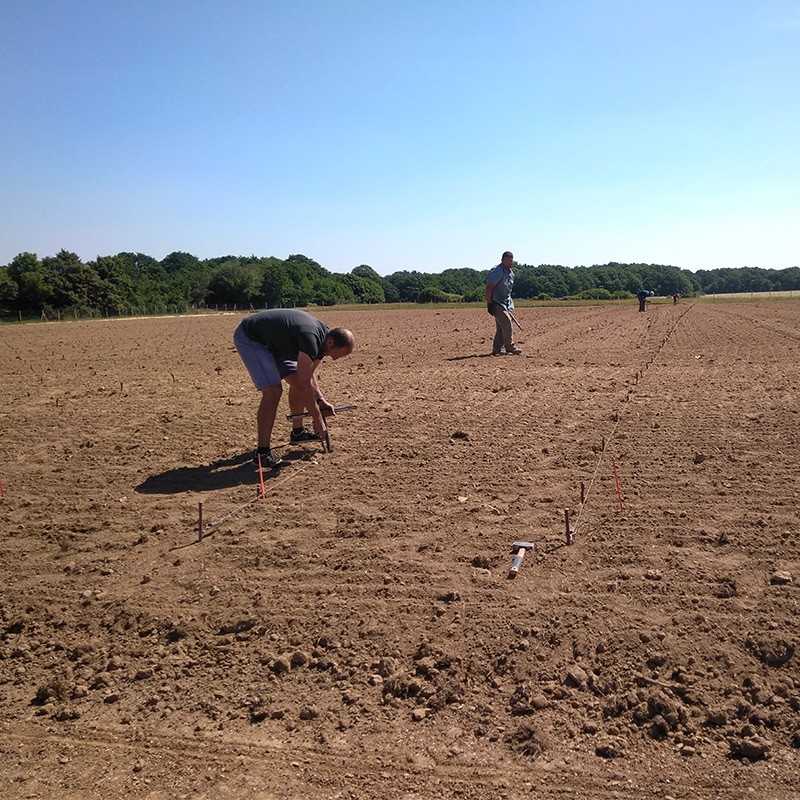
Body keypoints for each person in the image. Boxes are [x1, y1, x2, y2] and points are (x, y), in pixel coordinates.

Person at [233, 309, 355, 468]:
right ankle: (262, 453)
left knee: (298, 381)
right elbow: (305, 385)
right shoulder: (311, 339)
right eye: (338, 354)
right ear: (331, 342)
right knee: (273, 390)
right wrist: (317, 419)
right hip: (252, 337)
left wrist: (320, 400)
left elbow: (308, 376)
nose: (335, 358)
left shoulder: (324, 339)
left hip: (277, 342)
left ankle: (298, 432)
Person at [485, 251, 521, 355]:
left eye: (511, 261)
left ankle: (496, 350)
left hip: (506, 303)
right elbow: (489, 287)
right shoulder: (497, 271)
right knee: (507, 323)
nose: (510, 263)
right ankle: (510, 347)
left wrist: (509, 305)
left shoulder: (510, 273)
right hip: (496, 302)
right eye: (508, 261)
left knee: (501, 328)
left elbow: (508, 291)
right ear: (502, 260)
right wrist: (489, 303)